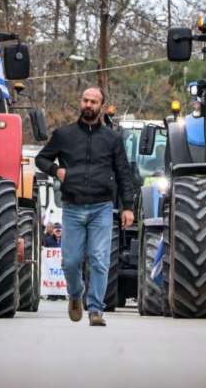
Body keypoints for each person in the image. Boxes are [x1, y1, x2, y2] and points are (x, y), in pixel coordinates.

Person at [36, 86, 135, 327]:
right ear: (80, 103)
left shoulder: (112, 139)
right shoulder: (64, 135)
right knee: (71, 261)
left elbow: (123, 173)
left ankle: (95, 310)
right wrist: (56, 170)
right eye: (85, 100)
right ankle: (75, 295)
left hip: (102, 207)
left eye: (93, 102)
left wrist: (128, 206)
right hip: (72, 207)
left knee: (100, 260)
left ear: (102, 107)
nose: (88, 105)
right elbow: (41, 158)